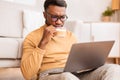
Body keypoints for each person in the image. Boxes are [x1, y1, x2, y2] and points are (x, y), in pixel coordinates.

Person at [20, 0, 120, 80]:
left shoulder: (71, 36)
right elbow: (27, 74)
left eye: (62, 17)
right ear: (45, 15)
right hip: (50, 75)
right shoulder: (32, 37)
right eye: (54, 17)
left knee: (114, 69)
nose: (59, 22)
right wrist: (43, 42)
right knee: (67, 77)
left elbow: (79, 62)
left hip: (75, 74)